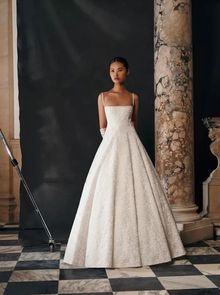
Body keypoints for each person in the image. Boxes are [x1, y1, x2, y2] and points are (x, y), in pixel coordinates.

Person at [63, 56, 186, 268]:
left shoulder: (134, 97)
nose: (116, 74)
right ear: (109, 73)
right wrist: (112, 146)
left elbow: (133, 125)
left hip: (131, 146)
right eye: (112, 70)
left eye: (120, 70)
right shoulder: (103, 96)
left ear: (127, 72)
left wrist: (125, 144)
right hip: (111, 146)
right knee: (107, 193)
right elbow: (103, 127)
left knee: (138, 193)